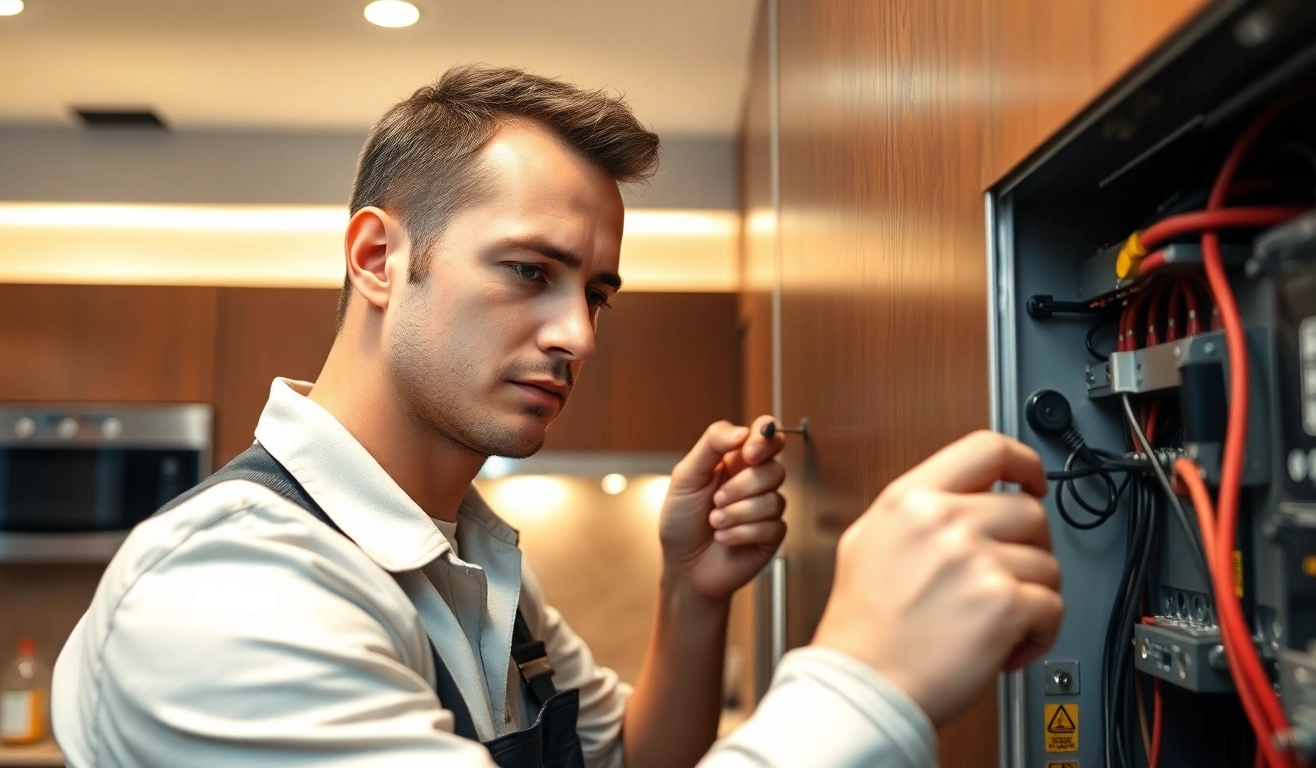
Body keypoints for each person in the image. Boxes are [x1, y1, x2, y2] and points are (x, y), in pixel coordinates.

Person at [52, 66, 1062, 768]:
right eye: (530, 272)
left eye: (597, 292)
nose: (577, 332)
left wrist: (692, 592)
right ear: (375, 258)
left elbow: (625, 761)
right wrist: (865, 673)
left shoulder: (470, 562)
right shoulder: (231, 591)